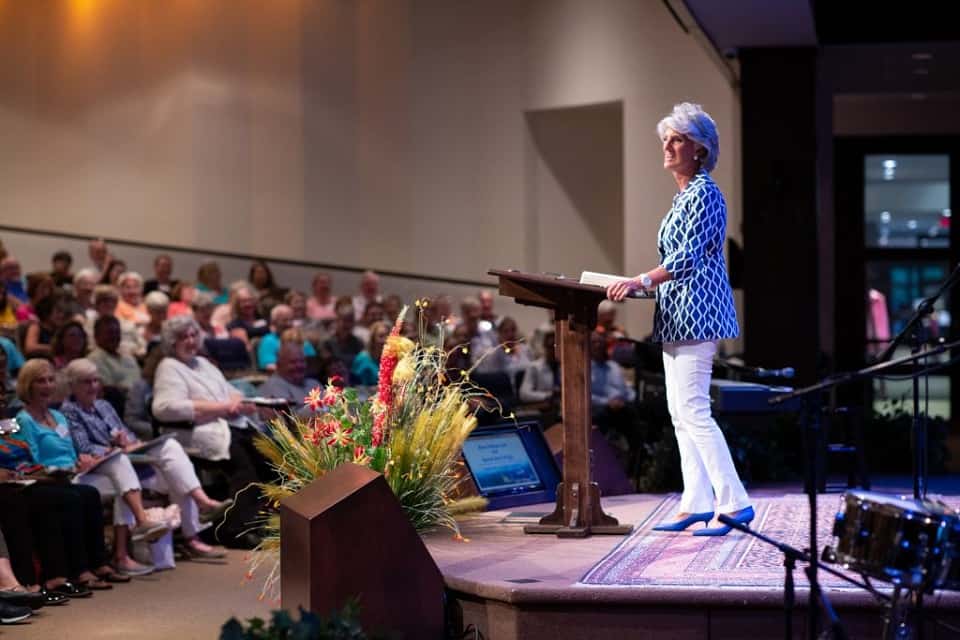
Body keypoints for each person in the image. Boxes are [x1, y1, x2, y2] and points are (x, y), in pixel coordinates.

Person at [606, 102, 752, 536]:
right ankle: (696, 502)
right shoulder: (684, 197)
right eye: (666, 139)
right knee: (680, 412)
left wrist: (639, 280)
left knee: (693, 411)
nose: (668, 146)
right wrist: (641, 286)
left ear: (700, 150)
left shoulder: (705, 193)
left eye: (678, 139)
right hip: (676, 315)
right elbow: (676, 261)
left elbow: (686, 259)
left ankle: (735, 501)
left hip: (698, 315)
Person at [61, 359, 230, 559]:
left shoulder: (104, 406)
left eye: (96, 381)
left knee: (171, 449)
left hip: (127, 459)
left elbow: (126, 433)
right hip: (101, 469)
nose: (93, 387)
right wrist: (114, 446)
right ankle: (188, 536)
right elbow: (84, 447)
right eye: (86, 382)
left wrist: (130, 442)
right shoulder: (69, 410)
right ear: (72, 385)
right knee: (131, 469)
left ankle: (201, 505)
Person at [13, 359, 166, 574]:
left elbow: (72, 452)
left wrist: (81, 462)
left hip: (73, 473)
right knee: (90, 493)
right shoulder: (24, 419)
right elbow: (32, 458)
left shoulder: (57, 416)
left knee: (120, 485)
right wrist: (62, 469)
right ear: (28, 385)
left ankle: (110, 559)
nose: (47, 386)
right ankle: (96, 560)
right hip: (48, 478)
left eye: (50, 380)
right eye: (40, 381)